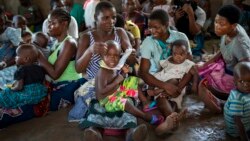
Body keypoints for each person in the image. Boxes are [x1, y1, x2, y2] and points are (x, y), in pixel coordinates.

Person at [95, 40, 171, 133]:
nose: (113, 59)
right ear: (102, 56)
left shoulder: (113, 65)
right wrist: (118, 80)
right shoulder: (103, 71)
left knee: (132, 80)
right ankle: (145, 117)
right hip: (107, 100)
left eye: (116, 56)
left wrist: (124, 73)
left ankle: (145, 103)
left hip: (116, 91)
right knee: (126, 103)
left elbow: (120, 77)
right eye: (108, 55)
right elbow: (102, 90)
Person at [139, 9, 190, 135]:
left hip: (178, 78)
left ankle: (170, 121)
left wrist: (178, 85)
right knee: (164, 96)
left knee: (164, 97)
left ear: (166, 25)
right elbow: (143, 73)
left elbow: (189, 66)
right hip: (157, 79)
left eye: (156, 27)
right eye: (150, 27)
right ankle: (173, 118)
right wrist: (165, 86)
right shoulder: (148, 42)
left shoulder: (180, 37)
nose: (152, 31)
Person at [197, 5, 250, 113]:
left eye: (221, 24)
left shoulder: (240, 45)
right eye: (216, 22)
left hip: (235, 77)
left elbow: (245, 72)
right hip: (226, 66)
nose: (216, 26)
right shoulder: (228, 31)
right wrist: (207, 63)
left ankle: (223, 106)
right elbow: (222, 50)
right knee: (200, 69)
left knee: (203, 85)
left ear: (233, 25)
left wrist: (238, 94)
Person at [38, 8, 84, 111]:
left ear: (64, 24)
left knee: (37, 105)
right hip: (58, 85)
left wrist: (38, 55)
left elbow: (55, 74)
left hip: (69, 87)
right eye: (49, 23)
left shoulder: (69, 43)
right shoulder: (56, 43)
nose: (49, 26)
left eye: (52, 23)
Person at [0, 44, 48, 128]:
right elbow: (42, 82)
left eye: (17, 56)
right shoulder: (40, 68)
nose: (15, 58)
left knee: (5, 93)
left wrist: (11, 88)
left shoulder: (20, 70)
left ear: (26, 59)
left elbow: (19, 87)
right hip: (40, 94)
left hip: (27, 95)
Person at [147, 39, 198, 109]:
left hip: (175, 85)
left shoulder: (187, 64)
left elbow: (195, 73)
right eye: (175, 54)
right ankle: (149, 98)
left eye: (181, 54)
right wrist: (153, 79)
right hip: (162, 82)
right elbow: (159, 71)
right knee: (152, 79)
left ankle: (159, 91)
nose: (178, 56)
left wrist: (194, 85)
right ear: (172, 53)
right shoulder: (168, 60)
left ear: (187, 54)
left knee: (173, 81)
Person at [224, 62, 250, 141]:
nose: (246, 85)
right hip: (237, 131)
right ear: (235, 82)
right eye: (241, 81)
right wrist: (244, 138)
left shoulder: (246, 92)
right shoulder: (237, 99)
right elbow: (237, 121)